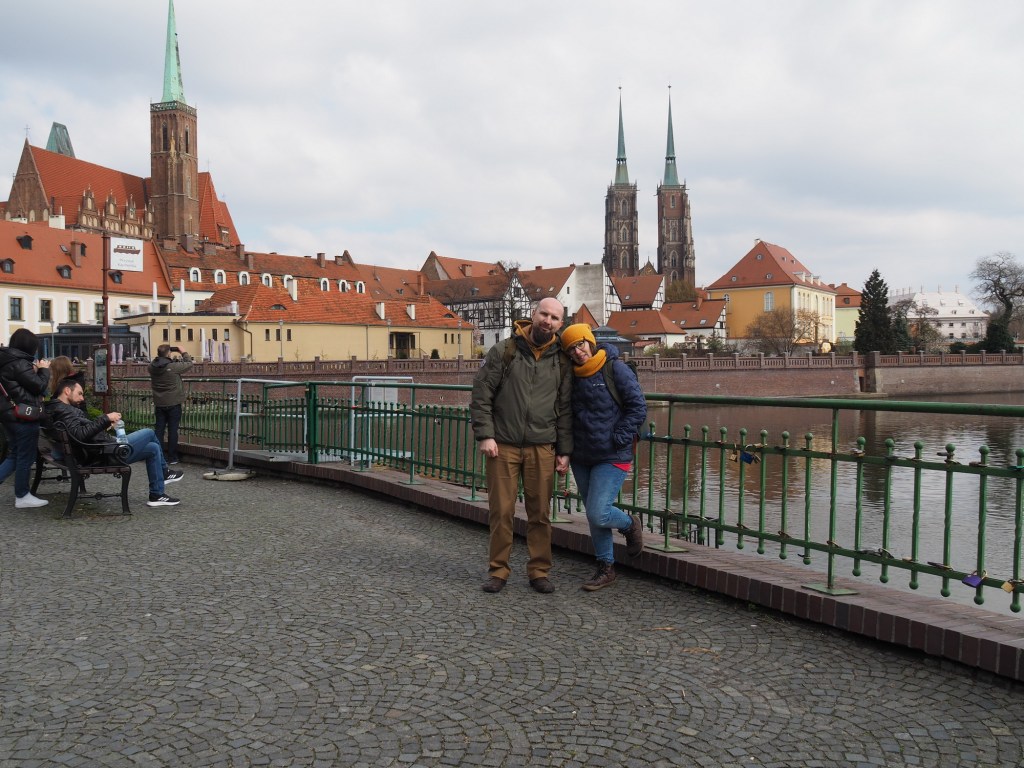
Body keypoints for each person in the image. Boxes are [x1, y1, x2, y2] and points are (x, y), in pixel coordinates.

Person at [470, 297, 573, 594]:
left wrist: (564, 451)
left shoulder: (561, 360)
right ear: (533, 314)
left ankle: (539, 571)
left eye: (554, 318)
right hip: (503, 444)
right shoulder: (506, 350)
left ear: (560, 324)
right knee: (501, 511)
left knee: (540, 513)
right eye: (544, 314)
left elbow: (565, 409)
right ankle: (498, 570)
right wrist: (485, 435)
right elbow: (482, 394)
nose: (547, 321)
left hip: (543, 446)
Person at [560, 323, 647, 591]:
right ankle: (605, 567)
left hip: (612, 453)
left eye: (580, 344)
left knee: (599, 512)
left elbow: (637, 406)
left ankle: (630, 524)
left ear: (590, 341)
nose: (577, 352)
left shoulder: (614, 368)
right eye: (571, 348)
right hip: (582, 454)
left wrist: (619, 437)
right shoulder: (571, 375)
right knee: (593, 513)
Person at [47, 377, 184, 507]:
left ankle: (157, 495)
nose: (82, 398)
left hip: (98, 451)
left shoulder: (57, 408)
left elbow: (79, 432)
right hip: (104, 453)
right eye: (79, 393)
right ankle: (164, 472)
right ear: (67, 391)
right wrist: (106, 418)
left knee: (153, 448)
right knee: (149, 432)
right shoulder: (64, 410)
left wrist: (104, 425)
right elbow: (80, 434)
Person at [0, 329, 51, 508]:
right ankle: (22, 496)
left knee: (14, 455)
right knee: (25, 457)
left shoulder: (7, 360)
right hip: (24, 416)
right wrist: (44, 370)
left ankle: (23, 495)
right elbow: (39, 386)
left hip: (9, 415)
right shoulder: (20, 363)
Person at [149, 344, 193, 465]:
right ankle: (172, 457)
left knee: (159, 430)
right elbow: (189, 363)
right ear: (169, 353)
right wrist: (183, 352)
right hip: (173, 403)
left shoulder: (151, 367)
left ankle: (158, 456)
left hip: (159, 403)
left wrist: (163, 355)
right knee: (173, 430)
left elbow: (156, 362)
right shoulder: (173, 367)